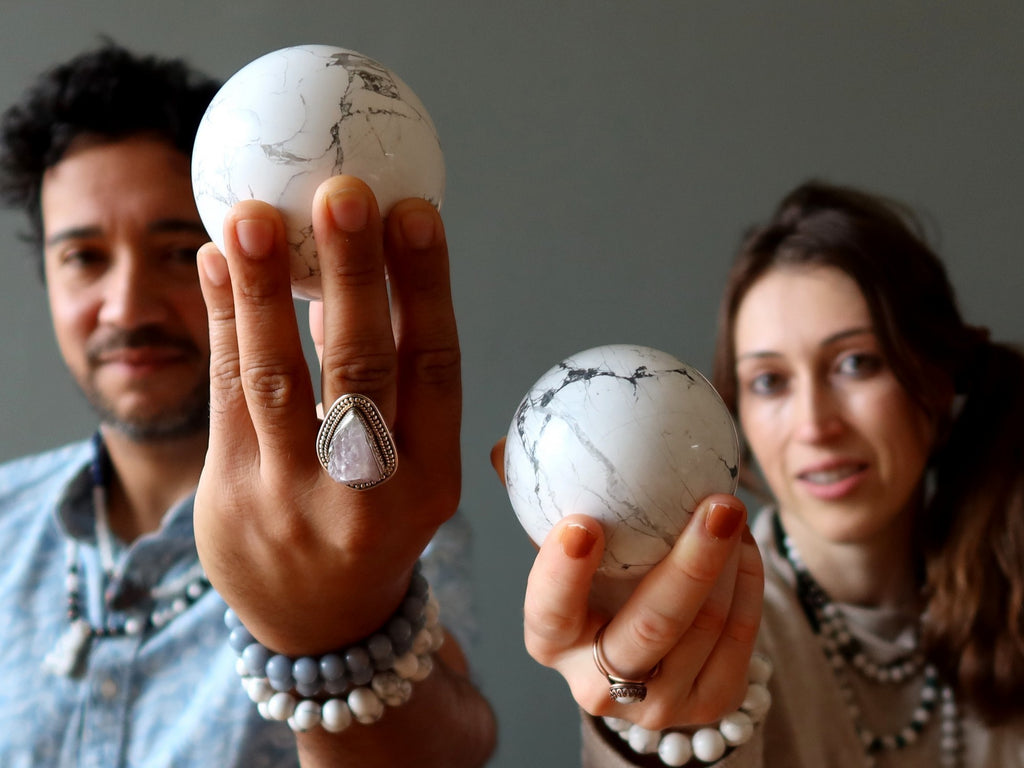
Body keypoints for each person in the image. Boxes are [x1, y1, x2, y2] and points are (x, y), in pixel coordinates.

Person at [0, 42, 495, 767]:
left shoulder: (367, 511)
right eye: (85, 257)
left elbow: (457, 743)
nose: (127, 306)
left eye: (177, 252)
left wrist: (340, 627)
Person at [505, 180, 1024, 766]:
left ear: (937, 379)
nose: (814, 425)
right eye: (769, 381)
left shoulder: (1010, 586)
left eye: (856, 363)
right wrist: (660, 732)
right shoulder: (723, 629)